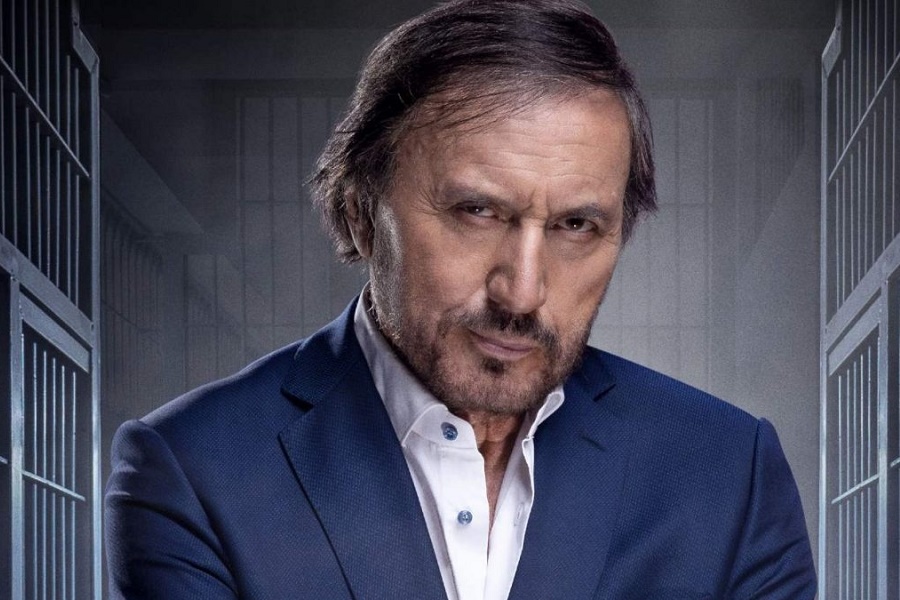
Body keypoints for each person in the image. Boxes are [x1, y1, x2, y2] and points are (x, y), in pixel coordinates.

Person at [104, 1, 817, 598]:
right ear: (360, 211)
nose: (523, 292)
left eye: (576, 226)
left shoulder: (730, 475)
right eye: (477, 212)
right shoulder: (194, 472)